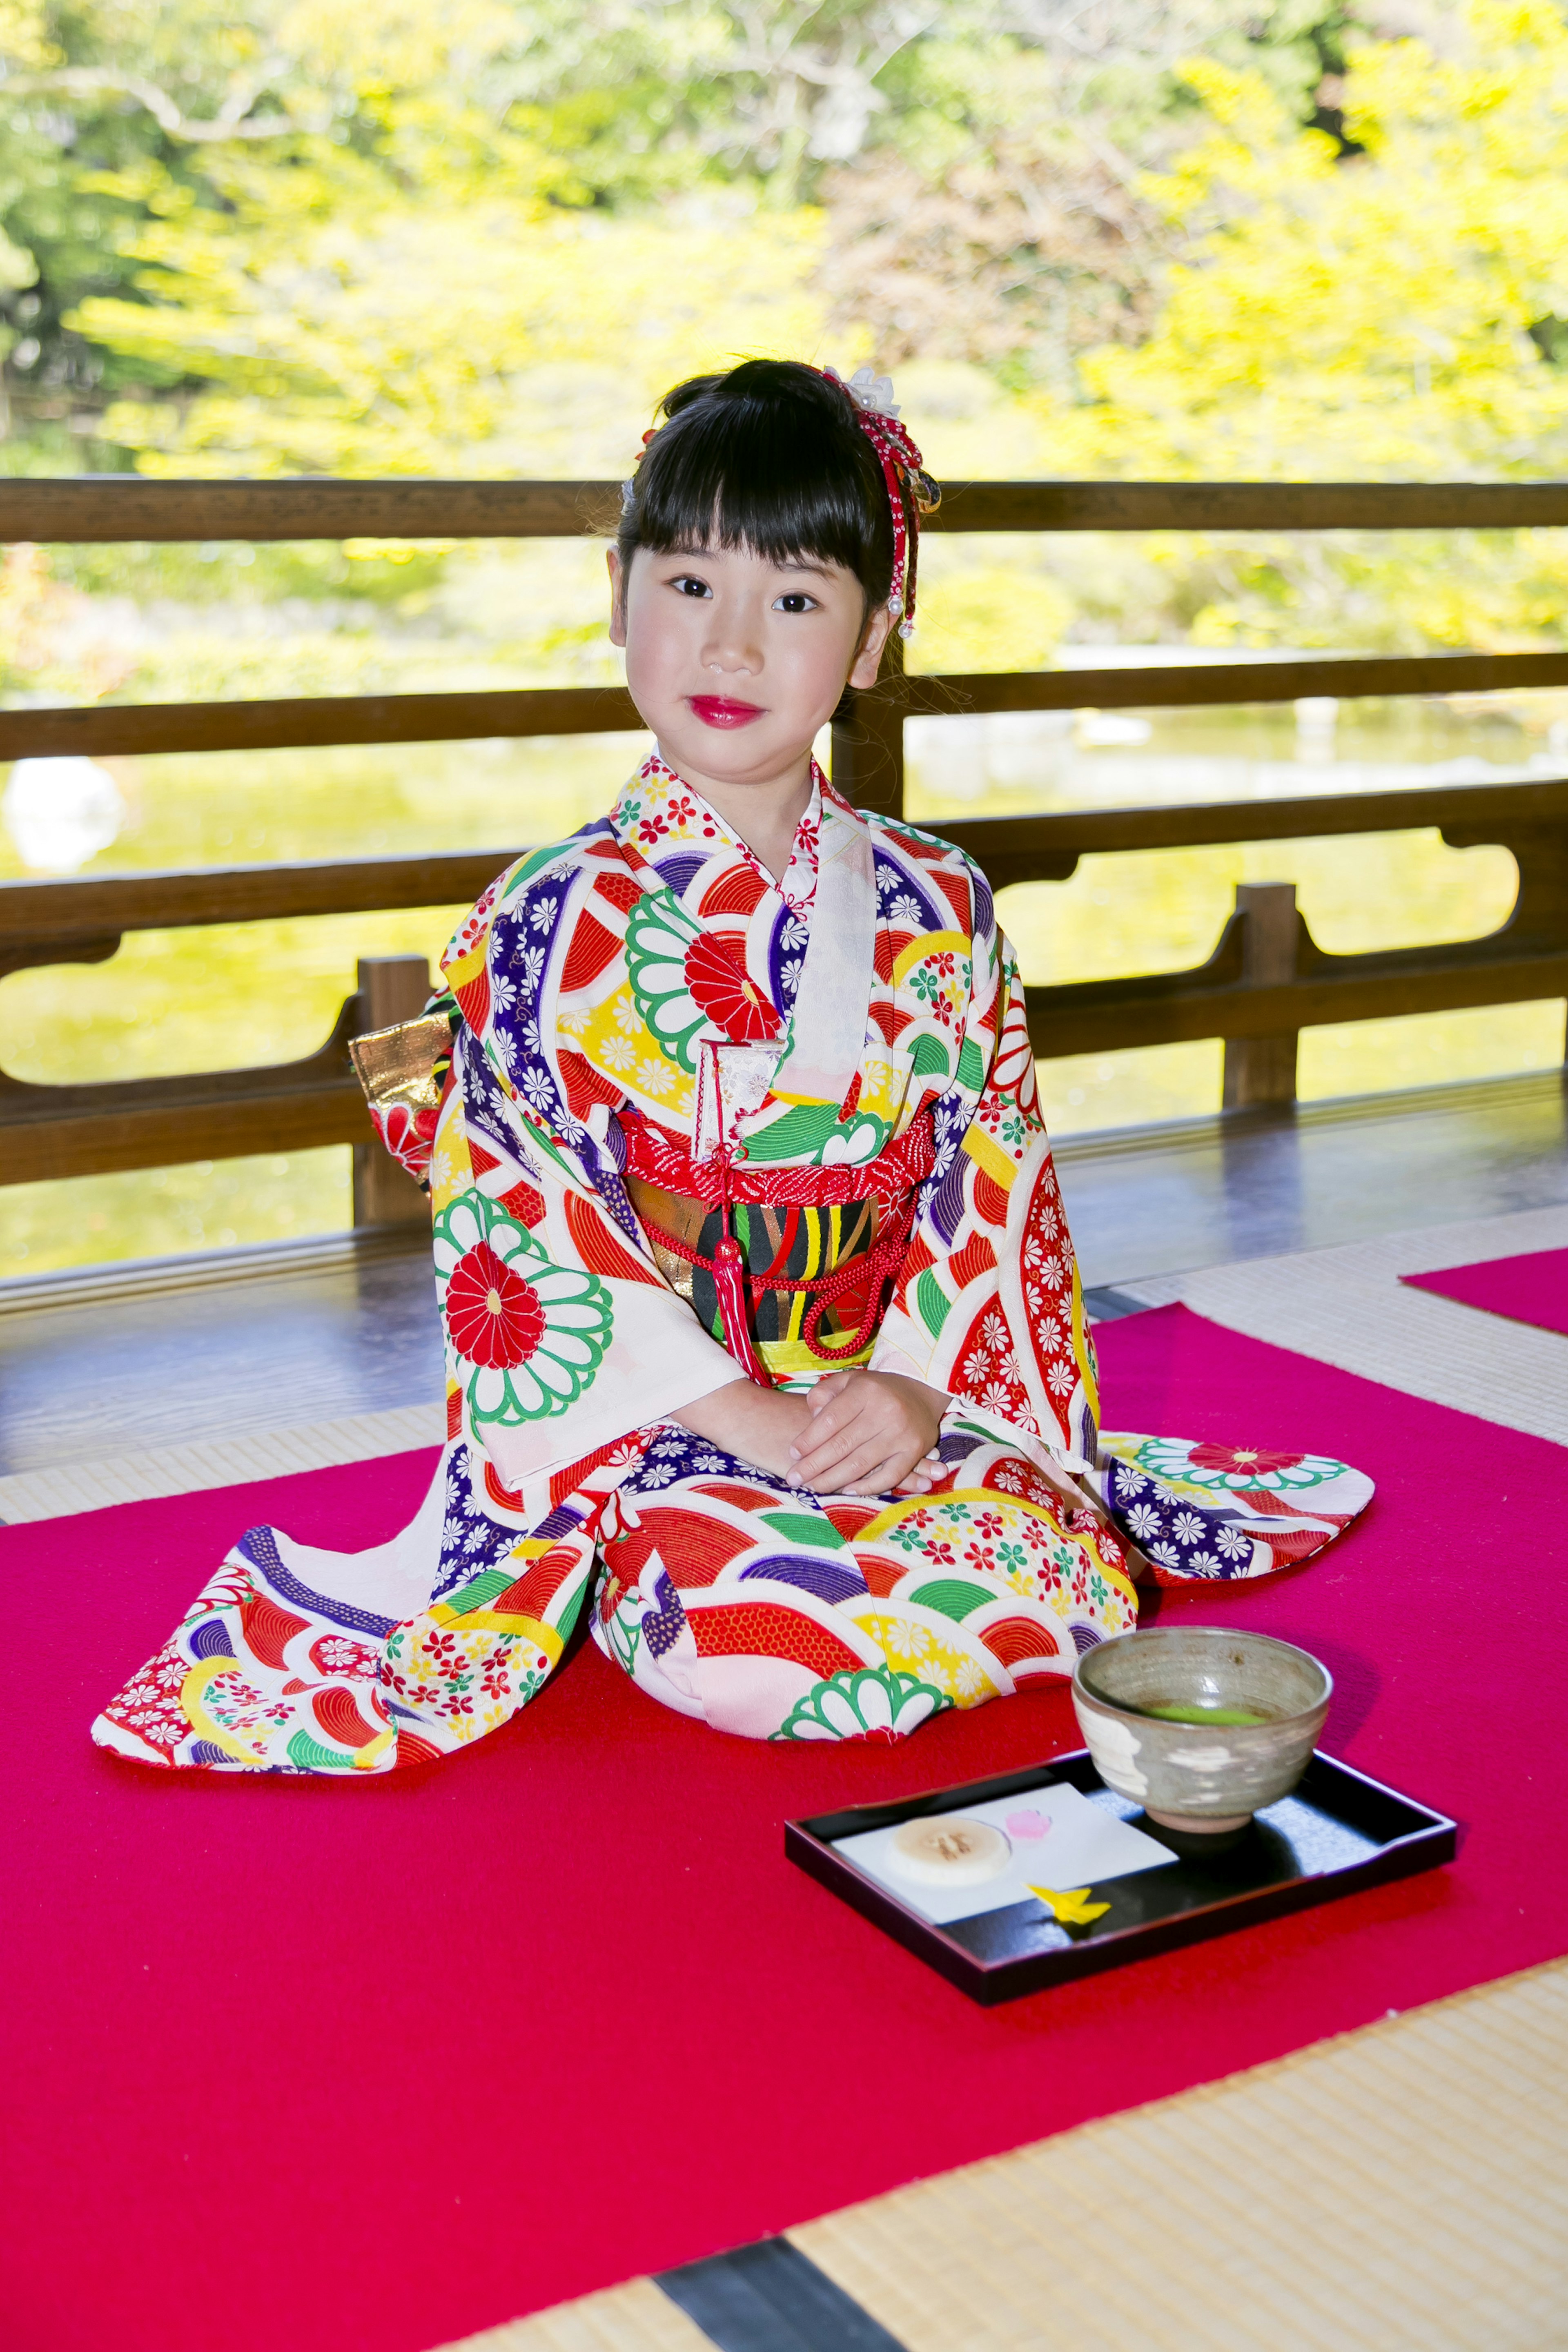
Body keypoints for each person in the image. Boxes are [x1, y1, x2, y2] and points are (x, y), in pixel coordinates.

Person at [94, 359, 1372, 1773]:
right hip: (654, 1413)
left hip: (890, 1393)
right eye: (692, 584)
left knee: (1069, 1582)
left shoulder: (940, 900)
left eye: (800, 601)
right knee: (758, 1655)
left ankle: (908, 1523)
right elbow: (522, 1226)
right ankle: (704, 1567)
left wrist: (918, 1393)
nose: (735, 648)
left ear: (876, 638)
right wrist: (737, 1414)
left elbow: (990, 1198)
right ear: (619, 591)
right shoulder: (547, 915)